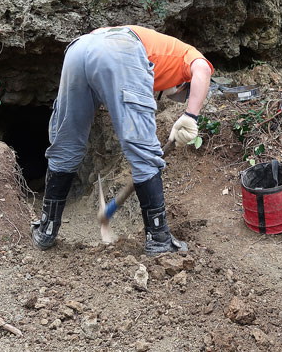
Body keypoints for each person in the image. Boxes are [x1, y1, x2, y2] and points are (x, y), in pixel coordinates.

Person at [31, 25, 213, 254]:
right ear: (184, 85)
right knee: (143, 151)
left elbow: (102, 57)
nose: (176, 97)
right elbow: (203, 69)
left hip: (80, 48)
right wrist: (190, 115)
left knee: (66, 143)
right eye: (181, 95)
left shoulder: (155, 47)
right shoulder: (185, 54)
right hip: (120, 51)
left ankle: (46, 230)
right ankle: (158, 238)